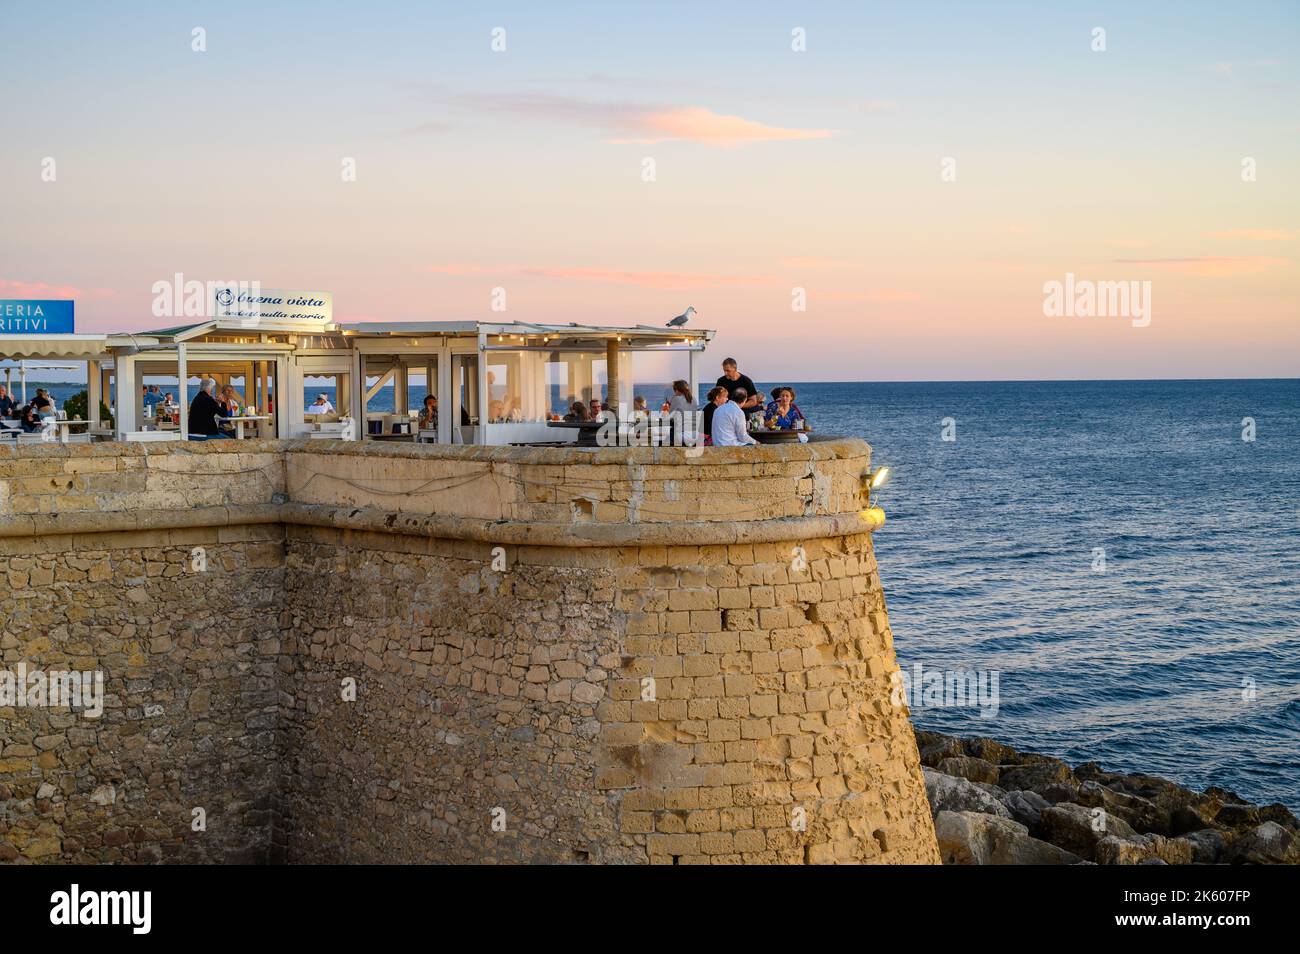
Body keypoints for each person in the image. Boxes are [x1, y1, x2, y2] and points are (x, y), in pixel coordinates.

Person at [667, 380, 693, 445]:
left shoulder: (676, 399)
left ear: (677, 390)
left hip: (681, 434)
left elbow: (669, 416)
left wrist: (669, 406)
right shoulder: (692, 399)